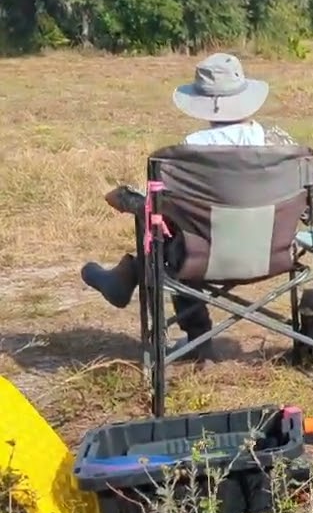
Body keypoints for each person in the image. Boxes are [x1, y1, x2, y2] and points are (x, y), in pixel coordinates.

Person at [81, 53, 296, 360]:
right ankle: (126, 276)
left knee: (176, 238)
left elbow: (168, 211)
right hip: (273, 253)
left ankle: (194, 334)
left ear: (202, 102)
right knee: (186, 233)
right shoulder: (280, 146)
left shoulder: (189, 153)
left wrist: (129, 201)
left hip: (204, 257)